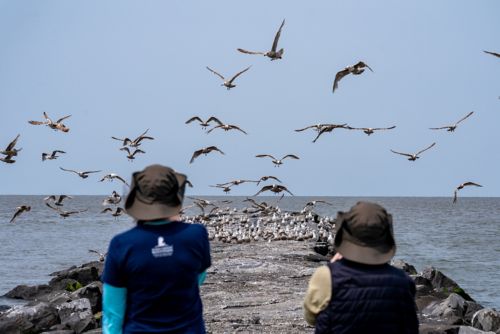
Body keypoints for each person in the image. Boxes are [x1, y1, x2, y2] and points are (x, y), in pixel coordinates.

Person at [102, 164, 211, 334]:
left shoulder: (121, 244)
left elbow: (112, 311)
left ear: (136, 201)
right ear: (176, 198)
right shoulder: (197, 235)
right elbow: (197, 278)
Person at [303, 201, 419, 333]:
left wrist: (333, 268)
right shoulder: (403, 281)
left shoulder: (325, 276)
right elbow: (410, 328)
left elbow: (311, 318)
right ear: (386, 237)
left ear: (346, 235)